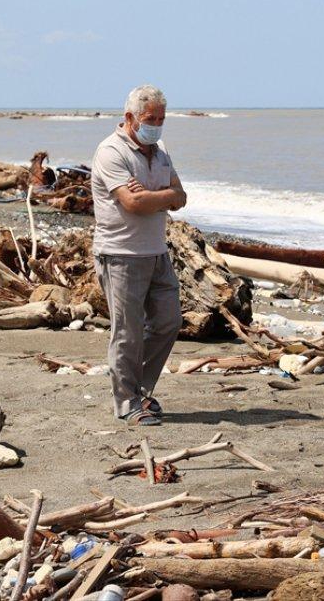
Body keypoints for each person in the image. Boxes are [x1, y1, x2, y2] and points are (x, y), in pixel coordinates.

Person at [90, 85, 187, 427]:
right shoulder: (110, 152)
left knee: (168, 322)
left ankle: (138, 387)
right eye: (150, 119)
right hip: (120, 255)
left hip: (156, 252)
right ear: (129, 117)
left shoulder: (160, 152)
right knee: (127, 333)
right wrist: (163, 196)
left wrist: (153, 195)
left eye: (161, 119)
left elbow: (182, 196)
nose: (157, 125)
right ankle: (127, 402)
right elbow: (133, 204)